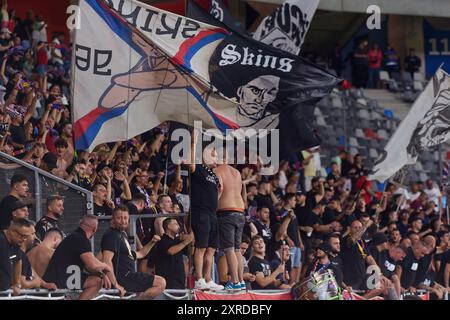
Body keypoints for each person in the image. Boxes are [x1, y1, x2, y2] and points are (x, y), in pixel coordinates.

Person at [101, 205, 166, 299]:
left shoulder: (122, 234)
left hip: (129, 276)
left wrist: (152, 242)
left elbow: (140, 254)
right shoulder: (112, 235)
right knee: (160, 282)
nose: (123, 221)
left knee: (160, 283)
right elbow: (107, 261)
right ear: (113, 219)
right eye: (119, 218)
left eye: (125, 218)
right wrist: (115, 284)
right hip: (125, 277)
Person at [43, 215, 113, 300]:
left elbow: (89, 266)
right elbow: (93, 265)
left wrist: (102, 274)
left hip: (62, 278)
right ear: (94, 229)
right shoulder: (81, 239)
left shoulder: (75, 236)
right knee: (97, 282)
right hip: (58, 281)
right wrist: (106, 266)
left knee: (96, 280)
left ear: (80, 224)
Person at [187, 130, 223, 291]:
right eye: (213, 154)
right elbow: (190, 163)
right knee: (201, 247)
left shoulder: (214, 175)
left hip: (212, 214)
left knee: (211, 248)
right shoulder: (199, 168)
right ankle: (199, 279)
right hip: (200, 212)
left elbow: (217, 193)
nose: (216, 157)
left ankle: (208, 279)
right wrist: (194, 142)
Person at [214, 162, 246, 290]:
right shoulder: (236, 172)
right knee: (237, 249)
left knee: (229, 249)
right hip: (240, 211)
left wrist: (213, 206)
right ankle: (241, 280)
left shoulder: (217, 170)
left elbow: (220, 189)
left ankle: (234, 281)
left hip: (226, 212)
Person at [154, 217, 194, 289]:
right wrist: (186, 242)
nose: (178, 227)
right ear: (168, 226)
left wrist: (191, 242)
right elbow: (171, 251)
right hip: (168, 281)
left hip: (179, 281)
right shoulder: (162, 240)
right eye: (176, 224)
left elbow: (189, 253)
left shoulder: (177, 241)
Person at [341, 220, 378, 291]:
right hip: (350, 279)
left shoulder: (362, 241)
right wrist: (366, 225)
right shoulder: (346, 239)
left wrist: (378, 272)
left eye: (360, 227)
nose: (359, 229)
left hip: (362, 278)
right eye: (355, 227)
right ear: (350, 229)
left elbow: (370, 259)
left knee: (380, 286)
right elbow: (353, 239)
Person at [0, 218, 34, 294]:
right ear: (12, 232)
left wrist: (17, 283)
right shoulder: (1, 241)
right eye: (22, 236)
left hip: (5, 293)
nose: (24, 239)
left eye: (26, 237)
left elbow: (19, 260)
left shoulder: (16, 243)